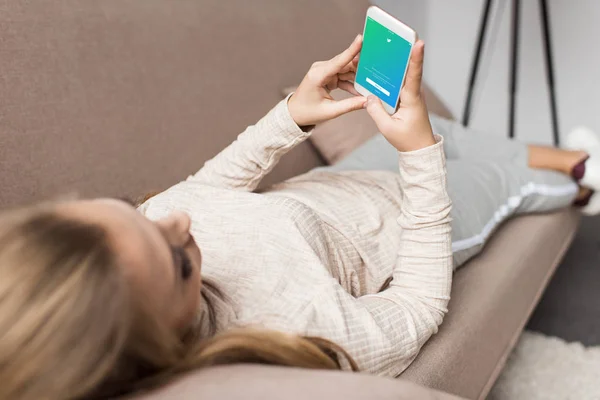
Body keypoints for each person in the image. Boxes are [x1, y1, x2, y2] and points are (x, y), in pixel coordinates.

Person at [0, 35, 598, 400]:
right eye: (178, 262)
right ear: (159, 349)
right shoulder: (293, 331)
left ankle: (572, 153)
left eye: (136, 212)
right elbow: (416, 308)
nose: (176, 222)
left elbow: (206, 189)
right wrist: (417, 156)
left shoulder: (149, 239)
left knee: (453, 134)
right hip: (416, 218)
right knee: (511, 182)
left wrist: (294, 114)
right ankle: (580, 180)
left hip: (338, 186)